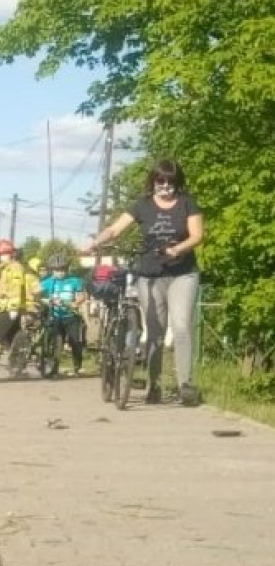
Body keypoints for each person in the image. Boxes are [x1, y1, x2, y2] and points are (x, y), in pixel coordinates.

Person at [87, 158, 205, 406]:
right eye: (161, 180)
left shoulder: (187, 203)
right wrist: (96, 242)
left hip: (182, 273)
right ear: (153, 181)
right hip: (149, 274)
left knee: (181, 326)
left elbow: (197, 235)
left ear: (177, 182)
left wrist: (177, 249)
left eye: (170, 181)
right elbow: (115, 229)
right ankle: (154, 385)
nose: (165, 186)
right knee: (155, 331)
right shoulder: (142, 205)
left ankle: (185, 385)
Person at [0, 239, 33, 368]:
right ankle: (17, 363)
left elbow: (16, 288)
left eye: (4, 254)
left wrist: (14, 308)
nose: (2, 257)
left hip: (11, 308)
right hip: (6, 307)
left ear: (11, 254)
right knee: (12, 336)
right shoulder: (4, 269)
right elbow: (4, 289)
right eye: (0, 255)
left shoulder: (14, 268)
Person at [39, 254, 87, 376]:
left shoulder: (75, 281)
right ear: (52, 270)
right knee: (55, 342)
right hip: (55, 316)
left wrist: (76, 303)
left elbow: (82, 296)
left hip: (71, 316)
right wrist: (45, 300)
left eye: (62, 270)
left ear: (67, 269)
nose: (60, 273)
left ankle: (78, 366)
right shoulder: (48, 282)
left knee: (75, 341)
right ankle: (53, 367)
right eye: (57, 270)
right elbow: (37, 294)